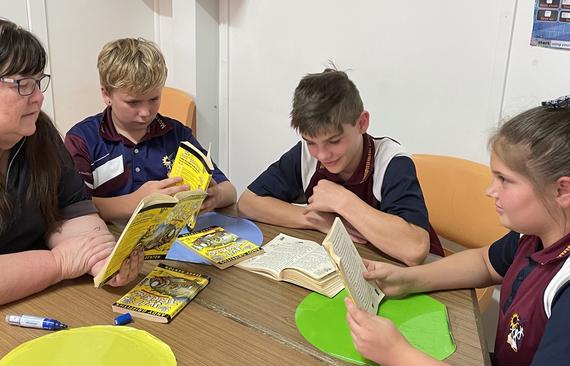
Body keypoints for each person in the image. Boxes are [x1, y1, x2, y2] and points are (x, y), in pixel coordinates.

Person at [0, 17, 142, 323]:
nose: (38, 97)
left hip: (23, 296)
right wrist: (59, 262)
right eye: (22, 84)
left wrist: (103, 257)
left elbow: (72, 212)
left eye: (38, 82)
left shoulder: (36, 133)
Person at [345, 99, 570, 366]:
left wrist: (398, 354)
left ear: (562, 191)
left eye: (505, 180)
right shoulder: (533, 235)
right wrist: (408, 278)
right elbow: (486, 263)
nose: (491, 190)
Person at [238, 69, 443, 266]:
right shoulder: (305, 155)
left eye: (334, 141)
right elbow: (248, 203)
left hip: (424, 278)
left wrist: (342, 201)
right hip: (358, 266)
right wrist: (318, 220)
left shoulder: (391, 162)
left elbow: (414, 250)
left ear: (362, 123)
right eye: (310, 142)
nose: (323, 155)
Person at [65, 38, 236, 223]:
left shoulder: (176, 134)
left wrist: (216, 195)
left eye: (154, 99)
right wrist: (135, 203)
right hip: (107, 241)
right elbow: (74, 208)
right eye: (133, 102)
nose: (146, 113)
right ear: (106, 94)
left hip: (171, 238)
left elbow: (230, 190)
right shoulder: (82, 139)